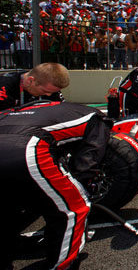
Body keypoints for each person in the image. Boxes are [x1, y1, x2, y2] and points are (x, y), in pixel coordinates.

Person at [0, 100, 112, 270]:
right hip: (26, 149)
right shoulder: (91, 114)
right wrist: (84, 181)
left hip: (12, 142)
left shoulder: (12, 110)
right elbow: (89, 158)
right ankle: (61, 265)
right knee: (74, 207)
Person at [0, 62, 68, 110]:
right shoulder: (4, 86)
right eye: (44, 91)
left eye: (53, 92)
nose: (48, 95)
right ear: (30, 80)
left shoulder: (50, 88)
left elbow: (61, 111)